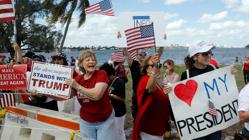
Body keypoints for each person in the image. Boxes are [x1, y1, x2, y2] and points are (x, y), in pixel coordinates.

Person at [180, 41, 236, 140]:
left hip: (214, 118)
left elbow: (222, 88)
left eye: (210, 53)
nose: (209, 55)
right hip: (198, 122)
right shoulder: (187, 75)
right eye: (205, 53)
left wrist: (229, 75)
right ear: (194, 57)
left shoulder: (213, 68)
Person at [66, 50, 115, 140]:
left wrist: (77, 86)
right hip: (86, 121)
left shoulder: (101, 74)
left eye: (93, 60)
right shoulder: (78, 78)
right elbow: (67, 95)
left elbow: (96, 95)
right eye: (88, 60)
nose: (91, 61)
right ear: (81, 64)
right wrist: (41, 93)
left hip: (105, 119)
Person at [132, 54, 170, 140]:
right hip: (149, 128)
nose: (157, 68)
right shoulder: (144, 79)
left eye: (159, 65)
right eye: (153, 65)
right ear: (146, 68)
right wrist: (155, 71)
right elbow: (149, 88)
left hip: (158, 127)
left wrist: (165, 93)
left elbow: (158, 97)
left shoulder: (156, 81)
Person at [100, 63, 126, 140]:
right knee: (111, 131)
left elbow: (123, 99)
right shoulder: (107, 82)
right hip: (110, 111)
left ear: (110, 74)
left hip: (119, 112)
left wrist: (110, 95)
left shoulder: (119, 82)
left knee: (119, 132)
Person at [124, 48, 146, 121]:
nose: (143, 56)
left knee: (146, 111)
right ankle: (137, 127)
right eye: (141, 54)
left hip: (147, 92)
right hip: (136, 92)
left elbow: (158, 55)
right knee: (136, 112)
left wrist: (161, 45)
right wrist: (123, 45)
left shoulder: (148, 65)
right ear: (136, 56)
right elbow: (127, 55)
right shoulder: (133, 64)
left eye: (144, 54)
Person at [162, 59, 180, 138]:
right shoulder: (164, 75)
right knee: (165, 115)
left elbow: (171, 86)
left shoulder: (176, 75)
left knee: (174, 116)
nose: (165, 67)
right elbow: (163, 86)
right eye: (164, 66)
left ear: (171, 65)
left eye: (167, 65)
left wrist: (165, 85)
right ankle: (167, 130)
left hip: (173, 100)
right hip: (166, 99)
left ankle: (179, 131)